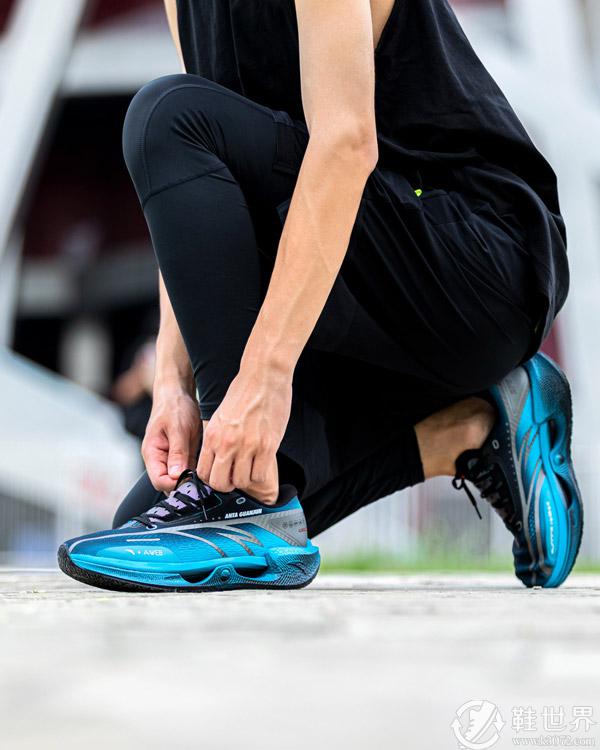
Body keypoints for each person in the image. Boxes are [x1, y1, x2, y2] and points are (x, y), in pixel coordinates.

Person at [57, 0, 583, 592]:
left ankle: (243, 506)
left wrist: (262, 380)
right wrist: (174, 383)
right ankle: (464, 430)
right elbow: (195, 189)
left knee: (162, 114)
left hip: (474, 264)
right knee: (150, 522)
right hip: (360, 281)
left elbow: (345, 144)